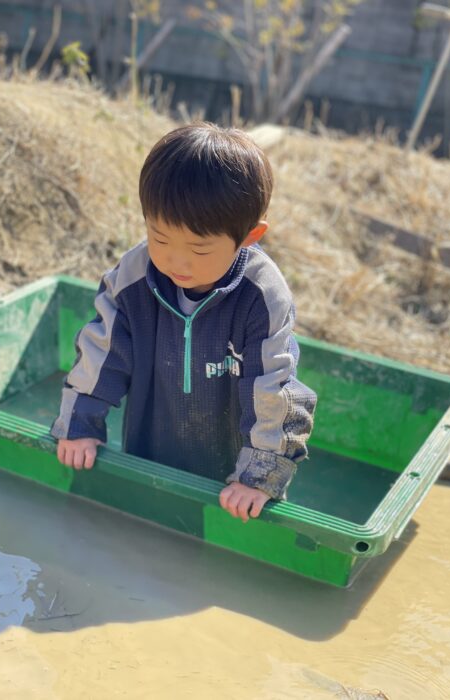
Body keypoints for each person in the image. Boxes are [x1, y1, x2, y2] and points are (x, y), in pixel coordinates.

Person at [51, 122, 317, 523]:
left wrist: (258, 474)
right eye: (160, 238)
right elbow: (101, 352)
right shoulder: (135, 277)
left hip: (230, 473)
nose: (178, 262)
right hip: (149, 443)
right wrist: (81, 425)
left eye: (199, 248)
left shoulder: (261, 296)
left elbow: (273, 388)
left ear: (249, 236)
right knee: (140, 531)